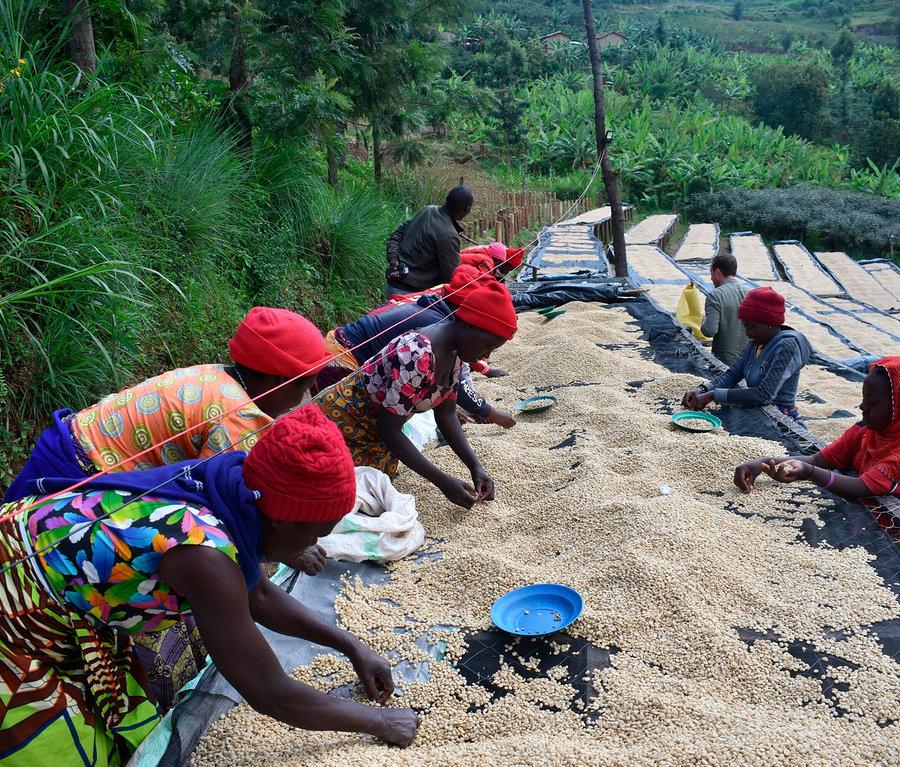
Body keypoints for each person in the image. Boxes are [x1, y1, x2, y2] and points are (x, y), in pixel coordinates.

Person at [0, 406, 420, 766]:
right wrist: (379, 722)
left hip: (58, 576)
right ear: (281, 518)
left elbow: (256, 593)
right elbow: (270, 691)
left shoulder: (237, 482)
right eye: (313, 534)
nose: (313, 545)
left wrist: (350, 645)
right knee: (48, 743)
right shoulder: (205, 555)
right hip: (18, 598)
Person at [4, 306, 333, 503]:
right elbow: (217, 500)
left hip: (62, 443)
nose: (301, 400)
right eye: (304, 388)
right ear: (281, 381)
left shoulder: (213, 374)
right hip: (81, 481)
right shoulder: (240, 416)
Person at [313, 281, 518, 509]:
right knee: (335, 495)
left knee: (371, 492)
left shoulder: (456, 354)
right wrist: (443, 482)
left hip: (375, 429)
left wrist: (476, 467)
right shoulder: (418, 354)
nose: (486, 354)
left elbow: (447, 414)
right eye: (488, 345)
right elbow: (389, 430)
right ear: (469, 325)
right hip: (345, 421)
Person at [321, 265, 515, 429]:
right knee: (345, 424)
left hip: (351, 348)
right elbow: (452, 380)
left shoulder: (438, 308)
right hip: (343, 355)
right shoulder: (436, 328)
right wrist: (491, 413)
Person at [734, 357, 900, 502]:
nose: (862, 406)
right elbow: (817, 460)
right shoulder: (863, 432)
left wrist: (809, 472)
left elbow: (858, 487)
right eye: (864, 398)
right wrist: (763, 462)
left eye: (872, 403)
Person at [681, 286, 811, 426]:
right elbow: (732, 375)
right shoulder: (755, 343)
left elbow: (764, 394)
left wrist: (713, 395)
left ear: (767, 323)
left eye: (750, 326)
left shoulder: (787, 346)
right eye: (745, 326)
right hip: (757, 413)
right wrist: (701, 389)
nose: (747, 333)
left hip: (781, 419)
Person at [385, 186, 474, 296]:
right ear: (467, 210)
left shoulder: (427, 210)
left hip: (392, 285)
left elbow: (396, 235)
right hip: (411, 295)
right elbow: (451, 277)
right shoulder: (449, 235)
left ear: (447, 199)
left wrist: (394, 258)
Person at [700, 253, 750, 366]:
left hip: (724, 360)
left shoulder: (715, 295)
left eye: (711, 273)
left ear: (717, 272)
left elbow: (709, 331)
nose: (711, 278)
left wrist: (703, 322)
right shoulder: (750, 292)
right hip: (749, 357)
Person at [460, 242, 526, 280]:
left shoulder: (485, 251)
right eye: (508, 269)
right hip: (452, 268)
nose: (507, 272)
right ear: (503, 262)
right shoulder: (487, 262)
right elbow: (483, 282)